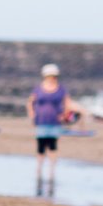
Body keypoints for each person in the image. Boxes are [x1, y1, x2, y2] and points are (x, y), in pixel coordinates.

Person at [28, 63, 83, 197]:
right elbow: (30, 102)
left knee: (52, 145)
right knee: (41, 146)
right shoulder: (38, 89)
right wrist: (32, 114)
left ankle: (51, 171)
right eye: (50, 76)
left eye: (54, 76)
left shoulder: (61, 89)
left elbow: (67, 103)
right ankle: (39, 170)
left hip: (55, 121)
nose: (52, 78)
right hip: (41, 121)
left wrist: (65, 115)